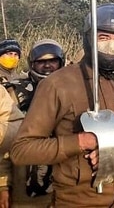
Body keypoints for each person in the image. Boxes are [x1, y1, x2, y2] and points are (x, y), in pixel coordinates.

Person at [10, 3, 114, 208]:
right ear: (89, 38)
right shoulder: (57, 84)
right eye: (103, 37)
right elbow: (22, 149)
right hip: (77, 202)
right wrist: (81, 141)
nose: (111, 45)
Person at [1, 39, 65, 208]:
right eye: (41, 62)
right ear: (32, 63)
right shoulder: (15, 92)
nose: (47, 66)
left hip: (64, 183)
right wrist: (3, 184)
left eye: (53, 61)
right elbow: (6, 140)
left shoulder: (73, 91)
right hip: (23, 184)